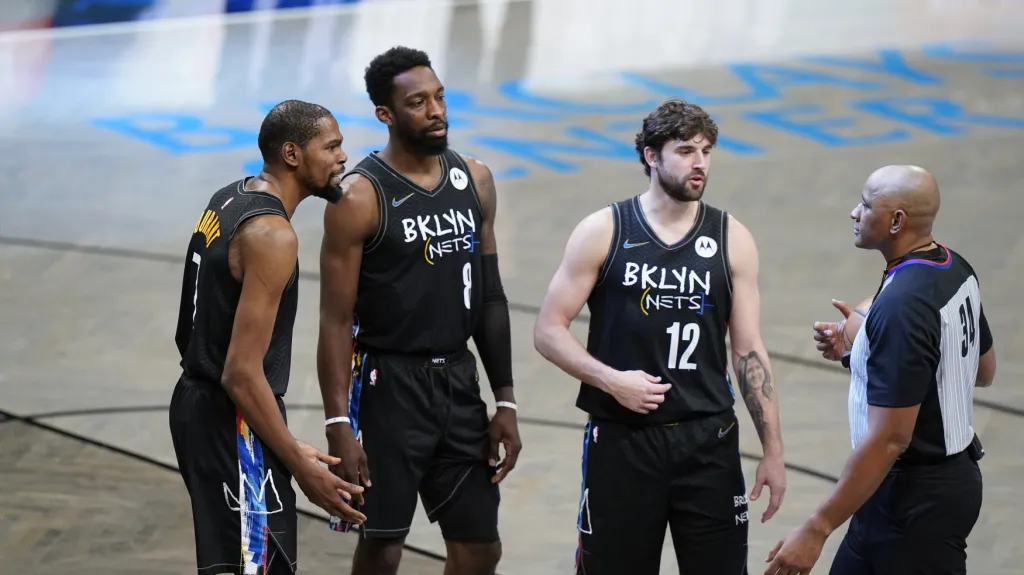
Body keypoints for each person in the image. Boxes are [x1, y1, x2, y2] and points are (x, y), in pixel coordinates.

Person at [533, 98, 787, 575]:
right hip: (624, 443)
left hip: (708, 441)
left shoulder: (732, 237)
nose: (700, 163)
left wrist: (772, 450)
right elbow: (548, 330)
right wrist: (610, 380)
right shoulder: (603, 231)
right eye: (686, 150)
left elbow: (748, 349)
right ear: (651, 156)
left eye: (707, 152)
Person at [316, 46, 521, 575]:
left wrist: (506, 401)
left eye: (439, 97)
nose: (436, 111)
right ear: (386, 114)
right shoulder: (359, 197)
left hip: (458, 383)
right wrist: (339, 422)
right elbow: (335, 321)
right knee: (383, 546)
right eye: (417, 102)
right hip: (390, 387)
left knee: (481, 547)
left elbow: (491, 297)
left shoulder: (474, 180)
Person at [765, 165, 996, 575]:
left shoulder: (901, 305)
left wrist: (817, 528)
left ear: (896, 221)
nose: (855, 212)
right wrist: (860, 353)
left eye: (866, 205)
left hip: (914, 504)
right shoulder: (954, 268)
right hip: (920, 490)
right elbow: (981, 368)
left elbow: (890, 438)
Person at [169, 100, 367, 575]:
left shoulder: (229, 197)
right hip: (230, 418)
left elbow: (205, 332)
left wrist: (286, 445)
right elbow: (240, 373)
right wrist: (302, 471)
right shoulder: (273, 236)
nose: (343, 157)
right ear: (293, 154)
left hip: (204, 409)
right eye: (333, 146)